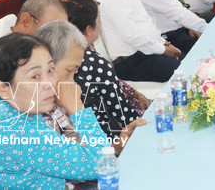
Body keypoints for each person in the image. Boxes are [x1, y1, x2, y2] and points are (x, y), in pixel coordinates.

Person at [0, 33, 106, 189]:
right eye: (35, 77)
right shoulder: (13, 131)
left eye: (51, 69)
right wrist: (77, 108)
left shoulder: (8, 108)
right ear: (3, 88)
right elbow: (102, 164)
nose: (50, 83)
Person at [40, 15, 146, 151]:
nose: (73, 83)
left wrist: (117, 147)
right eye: (68, 71)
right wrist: (77, 110)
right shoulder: (37, 111)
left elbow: (91, 152)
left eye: (76, 72)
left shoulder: (58, 102)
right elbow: (84, 163)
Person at [61, 0, 151, 115]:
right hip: (107, 129)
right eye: (98, 20)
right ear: (88, 30)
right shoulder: (94, 62)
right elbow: (123, 115)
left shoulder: (60, 52)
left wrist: (133, 93)